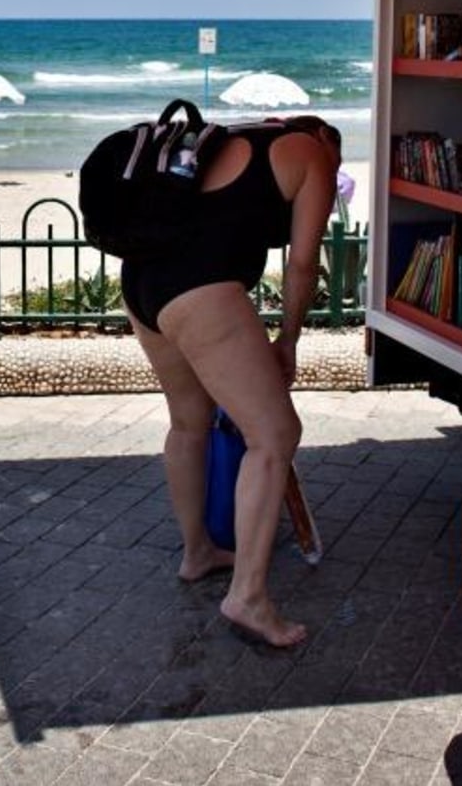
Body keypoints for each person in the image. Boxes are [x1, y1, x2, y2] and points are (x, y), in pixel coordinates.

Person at [120, 114, 342, 649]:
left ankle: (197, 552)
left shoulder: (237, 137)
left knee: (188, 423)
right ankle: (248, 596)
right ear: (323, 139)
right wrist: (287, 339)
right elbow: (304, 266)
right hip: (200, 290)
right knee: (275, 435)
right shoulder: (314, 156)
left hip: (142, 279)